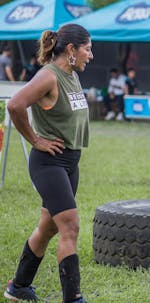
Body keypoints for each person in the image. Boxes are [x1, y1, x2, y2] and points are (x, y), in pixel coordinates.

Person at [4, 23, 92, 303]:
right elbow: (15, 105)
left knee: (49, 226)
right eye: (87, 49)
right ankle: (73, 298)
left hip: (70, 161)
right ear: (71, 50)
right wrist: (35, 140)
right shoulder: (49, 76)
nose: (91, 55)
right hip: (49, 162)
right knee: (71, 227)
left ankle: (19, 286)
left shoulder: (72, 74)